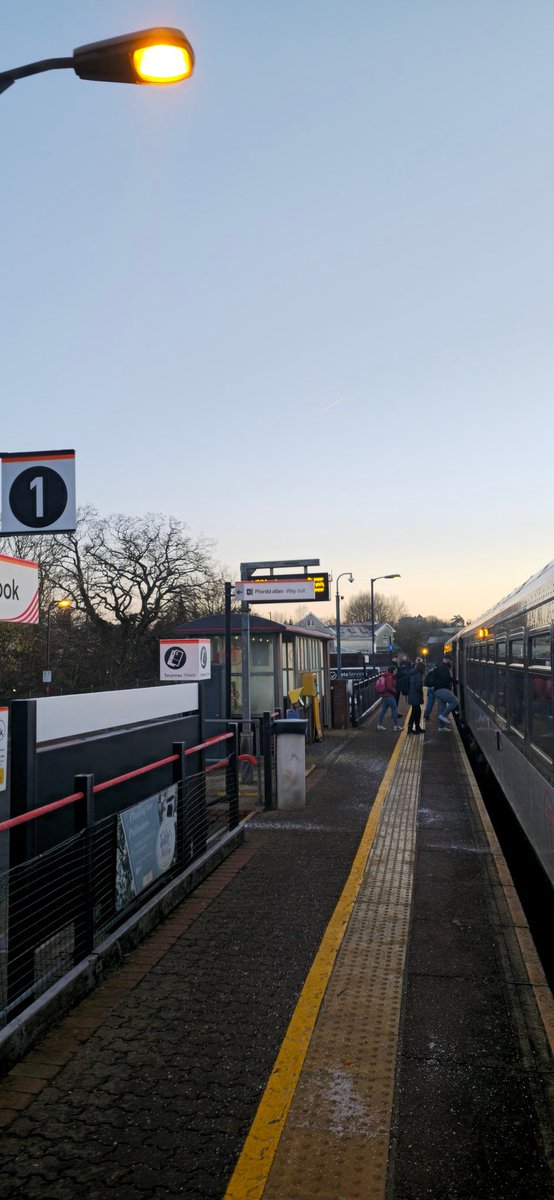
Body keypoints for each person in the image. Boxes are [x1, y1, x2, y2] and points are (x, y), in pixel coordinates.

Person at [432, 657, 459, 729]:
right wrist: (456, 682)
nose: (451, 662)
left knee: (442, 708)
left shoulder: (440, 667)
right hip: (442, 690)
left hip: (437, 690)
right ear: (446, 660)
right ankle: (443, 715)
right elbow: (447, 678)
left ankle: (441, 727)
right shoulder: (444, 668)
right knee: (455, 701)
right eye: (450, 660)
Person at [376, 665, 401, 730]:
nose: (396, 672)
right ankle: (396, 726)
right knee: (394, 709)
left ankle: (379, 725)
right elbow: (389, 687)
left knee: (383, 710)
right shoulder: (390, 677)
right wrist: (395, 691)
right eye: (395, 671)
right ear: (392, 671)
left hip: (385, 695)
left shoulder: (386, 675)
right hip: (389, 696)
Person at [407, 658, 424, 734]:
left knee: (417, 711)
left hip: (412, 695)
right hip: (416, 695)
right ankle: (410, 729)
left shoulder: (413, 672)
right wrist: (421, 693)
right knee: (415, 712)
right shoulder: (418, 674)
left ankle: (417, 727)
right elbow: (418, 686)